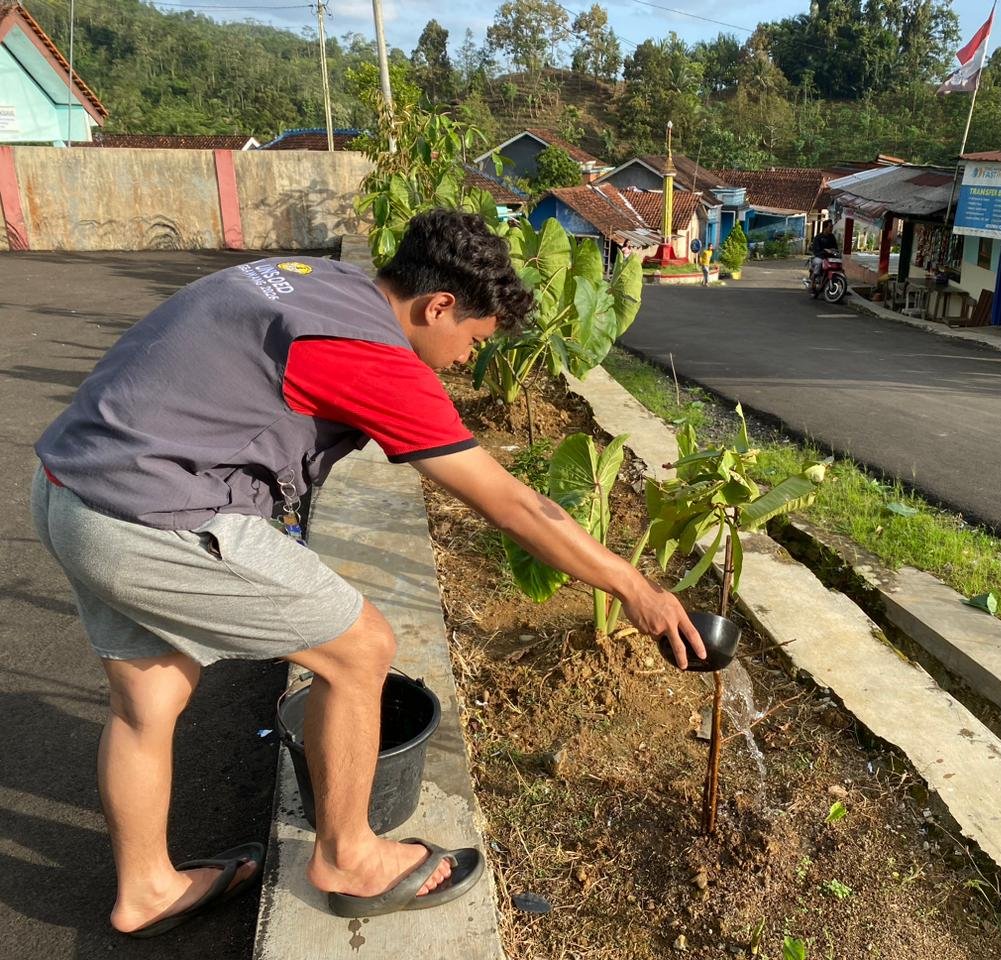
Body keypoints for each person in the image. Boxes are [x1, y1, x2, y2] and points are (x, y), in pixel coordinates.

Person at [30, 209, 705, 937]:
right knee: (359, 649)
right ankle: (349, 856)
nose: (467, 362)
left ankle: (147, 891)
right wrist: (634, 586)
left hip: (74, 489)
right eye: (472, 341)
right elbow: (517, 507)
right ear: (438, 306)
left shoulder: (320, 283)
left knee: (148, 699)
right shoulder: (369, 354)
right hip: (150, 514)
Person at [810, 221, 839, 286]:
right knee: (819, 262)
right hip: (819, 257)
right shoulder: (818, 237)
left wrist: (834, 250)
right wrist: (825, 250)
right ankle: (813, 282)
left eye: (832, 227)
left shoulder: (832, 237)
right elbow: (816, 251)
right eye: (830, 227)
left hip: (830, 258)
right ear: (825, 228)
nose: (831, 229)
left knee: (838, 264)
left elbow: (836, 248)